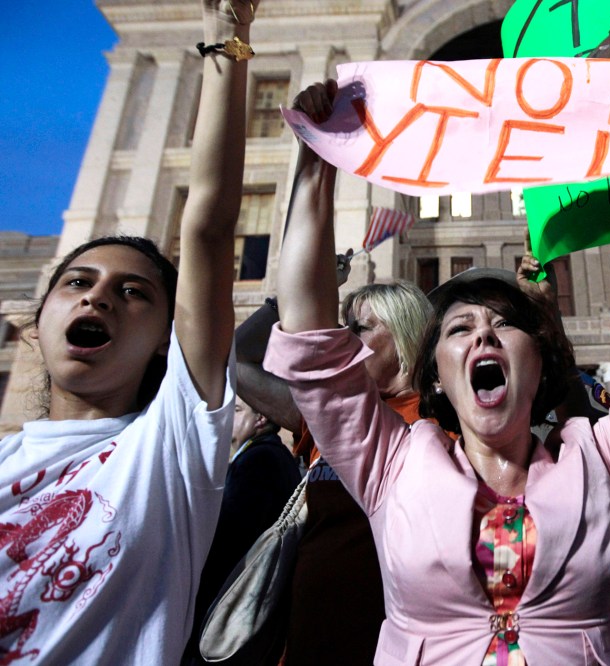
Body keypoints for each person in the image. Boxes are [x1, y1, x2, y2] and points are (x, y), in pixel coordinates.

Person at [262, 77, 610, 664]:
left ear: (539, 360)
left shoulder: (605, 462)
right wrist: (318, 160)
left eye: (503, 324)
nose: (484, 334)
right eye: (459, 328)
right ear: (436, 374)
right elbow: (310, 336)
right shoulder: (389, 464)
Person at [0, 0, 253, 662]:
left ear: (171, 333)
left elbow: (208, 223)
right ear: (36, 324)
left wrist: (225, 40)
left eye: (134, 291)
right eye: (78, 283)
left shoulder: (169, 447)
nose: (102, 296)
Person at [233, 275, 435, 665]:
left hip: (388, 642)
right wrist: (292, 297)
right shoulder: (331, 415)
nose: (345, 339)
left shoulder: (443, 424)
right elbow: (238, 358)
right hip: (304, 636)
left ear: (406, 332)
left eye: (361, 328)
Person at [183, 398, 302, 665]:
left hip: (234, 615)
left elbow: (229, 540)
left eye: (237, 410)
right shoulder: (269, 455)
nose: (228, 417)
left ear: (260, 418)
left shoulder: (259, 461)